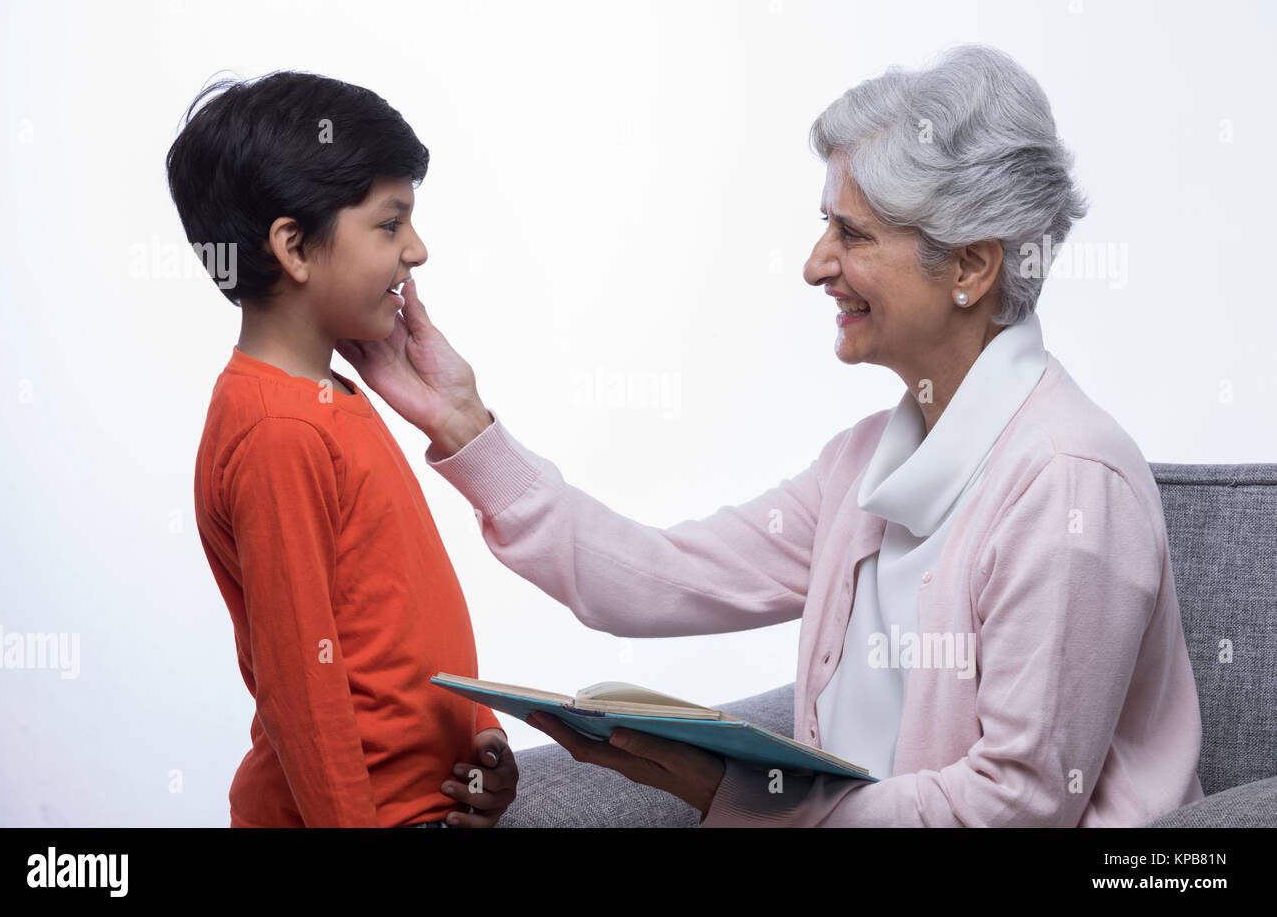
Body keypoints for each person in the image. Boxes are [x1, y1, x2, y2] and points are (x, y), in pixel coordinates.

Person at [337, 44, 1205, 826]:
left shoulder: (1069, 482)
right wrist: (465, 426)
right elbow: (657, 578)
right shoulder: (866, 463)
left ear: (972, 266)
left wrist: (749, 805)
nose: (816, 264)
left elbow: (1014, 808)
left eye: (852, 233)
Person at [169, 70, 517, 827]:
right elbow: (302, 688)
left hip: (429, 801)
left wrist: (480, 733)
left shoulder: (328, 395)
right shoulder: (278, 432)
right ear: (294, 246)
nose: (416, 250)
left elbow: (394, 615)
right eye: (390, 225)